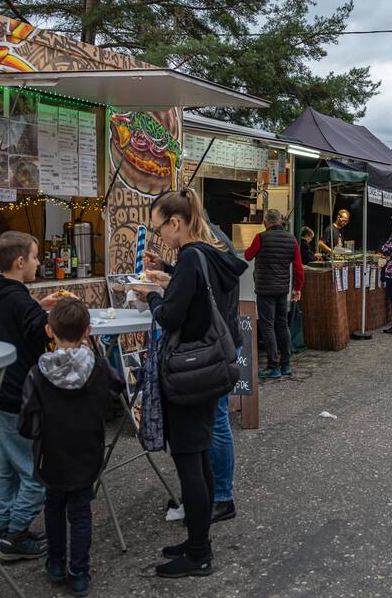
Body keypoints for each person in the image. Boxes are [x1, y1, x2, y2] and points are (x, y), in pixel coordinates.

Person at [139, 188, 248, 577]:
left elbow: (170, 316)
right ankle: (196, 542)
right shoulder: (209, 253)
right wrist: (168, 278)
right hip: (209, 367)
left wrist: (152, 296)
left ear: (176, 222)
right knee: (198, 458)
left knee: (190, 462)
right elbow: (200, 298)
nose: (159, 237)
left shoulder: (190, 257)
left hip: (189, 371)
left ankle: (200, 553)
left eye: (159, 229)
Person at [18, 298, 124, 596]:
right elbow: (117, 388)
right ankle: (78, 573)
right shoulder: (99, 367)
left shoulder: (38, 373)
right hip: (87, 451)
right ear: (87, 330)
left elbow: (27, 417)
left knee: (53, 507)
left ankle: (55, 562)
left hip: (51, 453)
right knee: (80, 512)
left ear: (49, 331)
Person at [0, 230, 69, 562]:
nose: (38, 263)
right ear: (20, 262)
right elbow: (44, 331)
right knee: (38, 475)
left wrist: (38, 307)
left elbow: (20, 320)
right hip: (17, 395)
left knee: (4, 470)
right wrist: (61, 313)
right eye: (35, 257)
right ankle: (15, 533)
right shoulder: (18, 300)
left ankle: (5, 527)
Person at [245, 209, 303, 379]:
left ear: (266, 221)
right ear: (280, 221)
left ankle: (273, 366)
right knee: (282, 324)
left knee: (267, 325)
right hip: (282, 290)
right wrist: (297, 289)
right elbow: (299, 268)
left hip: (264, 289)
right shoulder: (291, 239)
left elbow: (248, 256)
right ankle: (286, 365)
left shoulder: (261, 237)